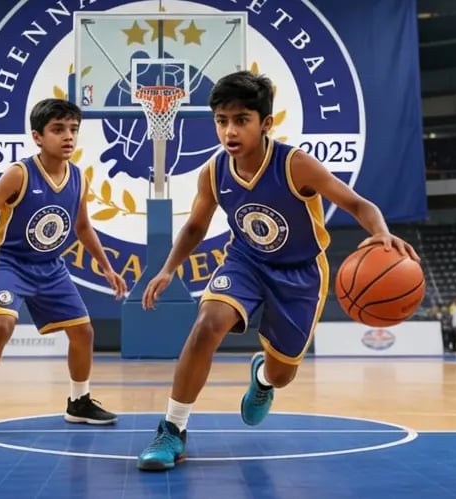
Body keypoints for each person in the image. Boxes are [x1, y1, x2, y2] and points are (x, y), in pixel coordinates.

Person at [134, 71, 418, 471]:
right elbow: (196, 226)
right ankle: (172, 429)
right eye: (221, 120)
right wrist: (167, 269)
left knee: (282, 374)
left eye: (241, 120)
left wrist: (382, 235)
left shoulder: (296, 165)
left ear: (265, 123)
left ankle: (263, 378)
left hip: (301, 273)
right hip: (246, 261)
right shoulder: (214, 173)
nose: (230, 130)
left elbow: (359, 205)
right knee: (207, 324)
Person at [0, 98, 124, 433]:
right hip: (9, 263)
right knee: (1, 326)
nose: (68, 137)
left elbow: (83, 228)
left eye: (73, 129)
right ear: (37, 136)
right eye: (58, 129)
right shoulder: (19, 173)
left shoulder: (77, 177)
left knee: (83, 331)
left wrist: (106, 266)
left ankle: (79, 401)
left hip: (50, 266)